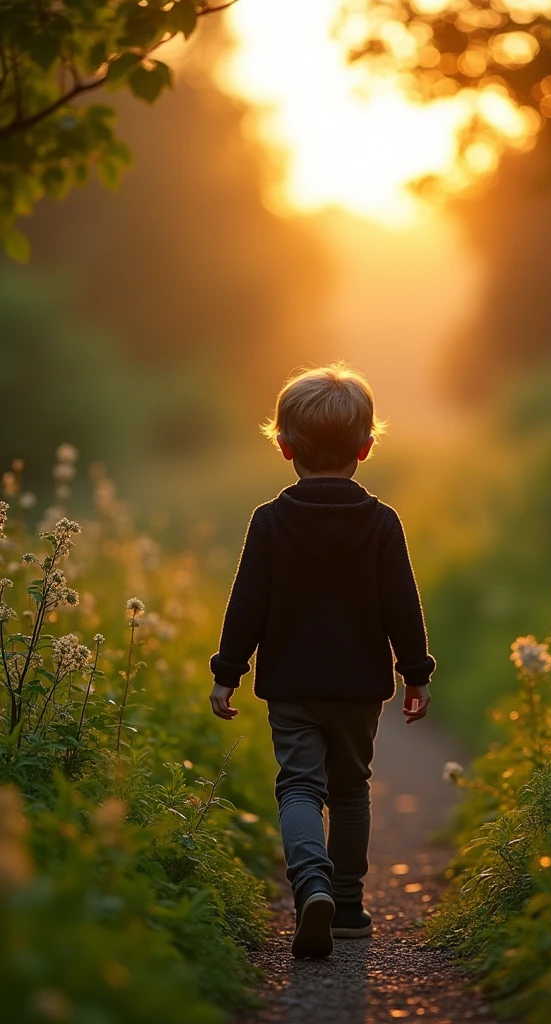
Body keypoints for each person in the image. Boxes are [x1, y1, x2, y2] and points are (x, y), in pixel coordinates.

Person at [209, 363, 435, 959]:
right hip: (359, 687)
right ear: (366, 447)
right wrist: (416, 673)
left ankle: (311, 887)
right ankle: (349, 906)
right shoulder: (383, 523)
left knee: (300, 787)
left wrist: (227, 673)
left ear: (284, 448)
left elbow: (246, 606)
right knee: (352, 789)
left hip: (291, 685)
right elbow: (402, 607)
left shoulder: (271, 522)